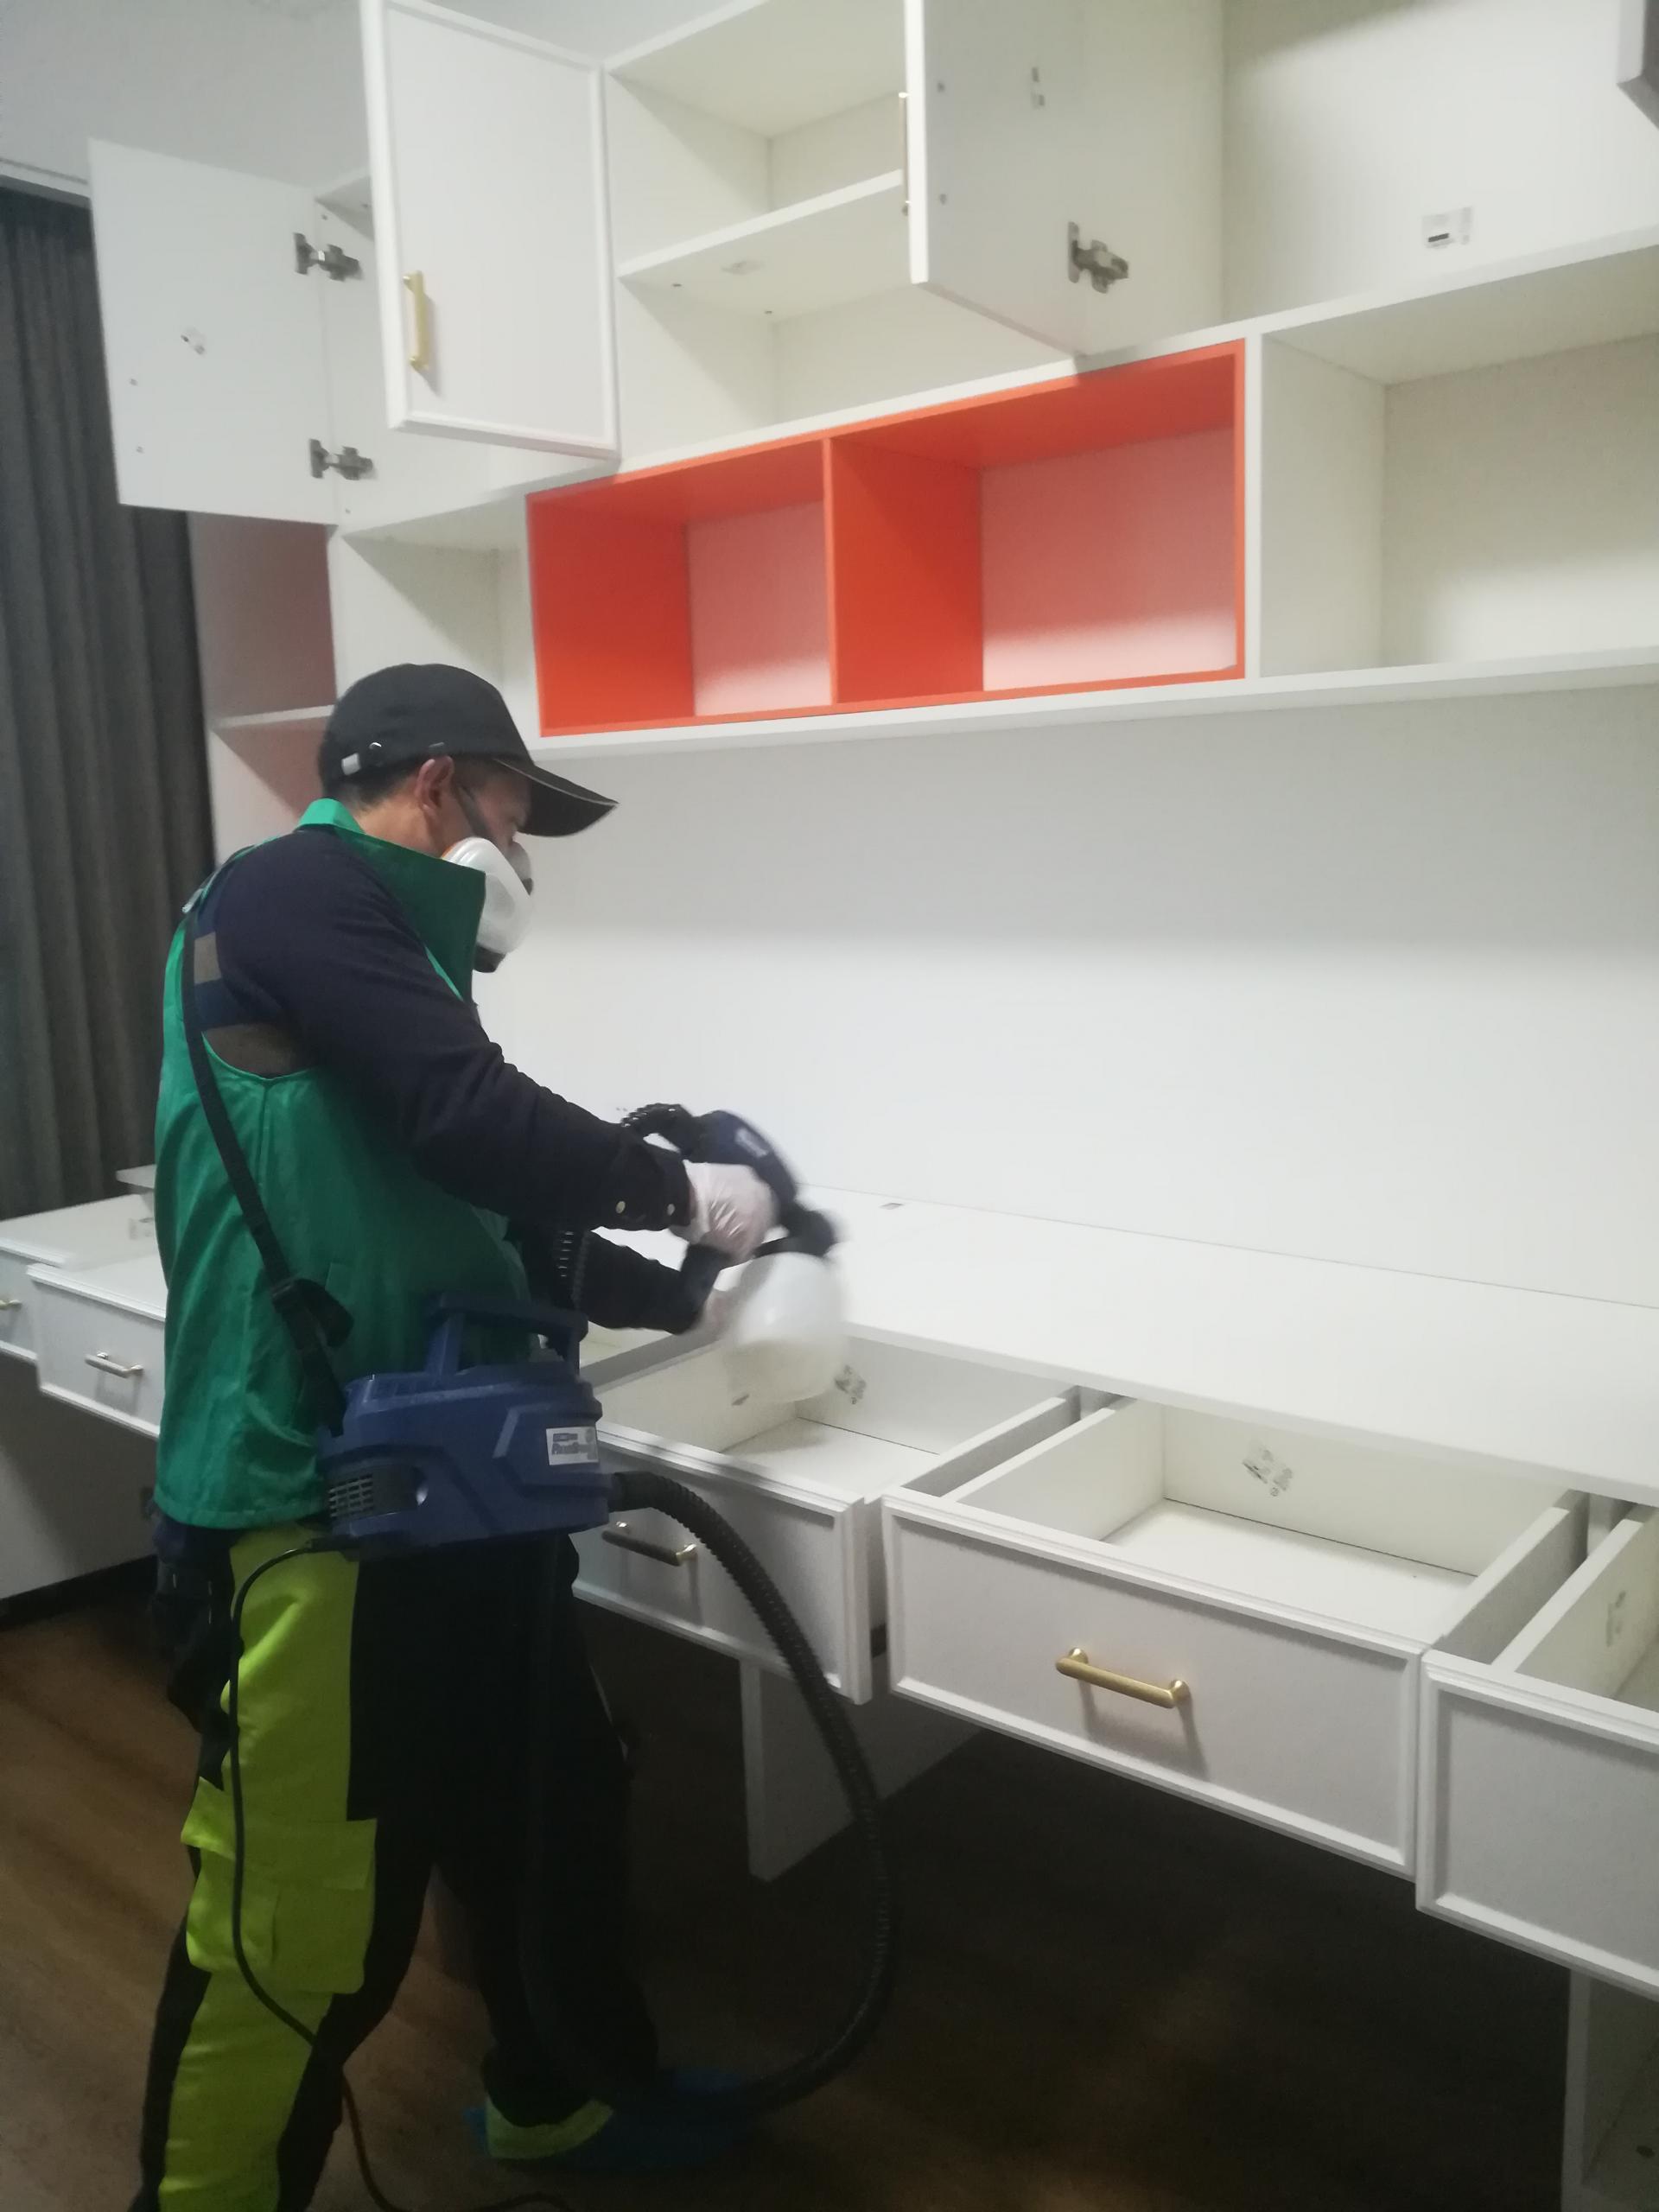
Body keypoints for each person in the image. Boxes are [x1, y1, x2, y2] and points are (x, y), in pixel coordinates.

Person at [130, 663, 777, 2211]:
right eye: (514, 810)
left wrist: (693, 1279)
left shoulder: (391, 974)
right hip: (315, 1506)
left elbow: (476, 1206)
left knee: (549, 1809)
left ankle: (566, 2096)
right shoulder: (287, 892)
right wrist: (678, 1189)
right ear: (435, 787)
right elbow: (469, 1120)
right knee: (299, 1917)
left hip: (460, 1482)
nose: (521, 849)